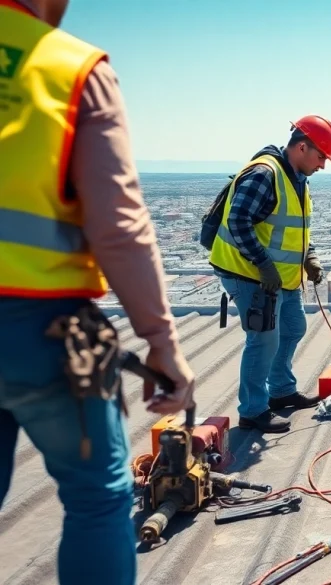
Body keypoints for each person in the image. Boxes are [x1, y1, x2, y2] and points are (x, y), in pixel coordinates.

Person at [0, 0, 196, 583]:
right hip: (42, 330)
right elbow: (119, 227)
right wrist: (161, 341)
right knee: (96, 500)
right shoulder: (70, 68)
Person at [208, 116, 331, 432]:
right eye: (321, 156)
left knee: (293, 327)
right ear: (302, 147)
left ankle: (280, 391)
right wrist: (264, 264)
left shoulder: (296, 179)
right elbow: (238, 221)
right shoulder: (265, 175)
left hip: (280, 277)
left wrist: (310, 257)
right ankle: (253, 410)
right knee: (263, 339)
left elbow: (294, 230)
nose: (322, 165)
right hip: (250, 274)